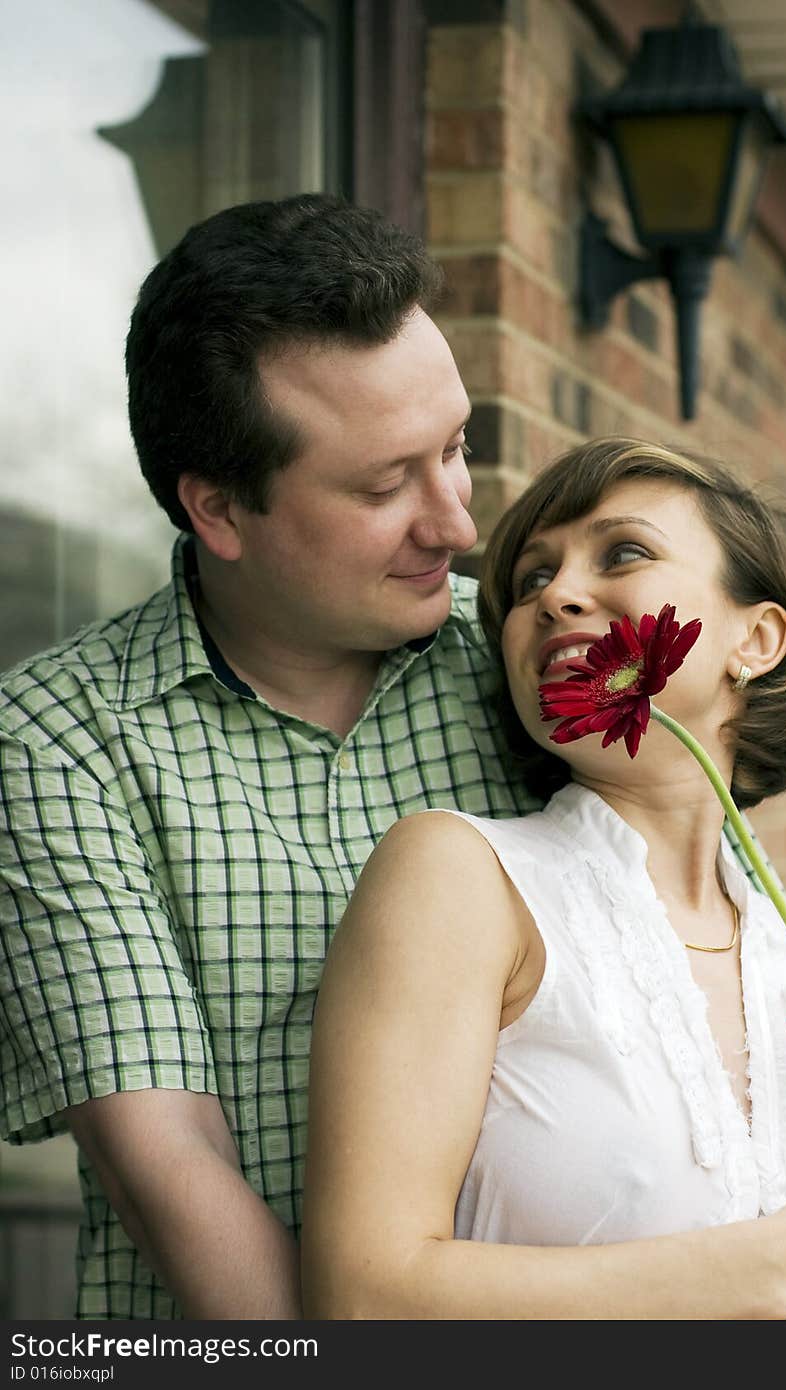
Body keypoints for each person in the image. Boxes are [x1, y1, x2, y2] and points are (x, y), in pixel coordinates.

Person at [0, 194, 543, 1320]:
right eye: (384, 484)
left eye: (457, 450)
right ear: (220, 509)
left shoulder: (530, 661)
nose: (455, 526)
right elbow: (169, 1161)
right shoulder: (58, 738)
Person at [301, 437, 786, 1320]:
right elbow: (361, 1299)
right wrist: (779, 1272)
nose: (556, 595)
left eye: (625, 553)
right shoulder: (463, 877)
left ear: (755, 640)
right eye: (531, 579)